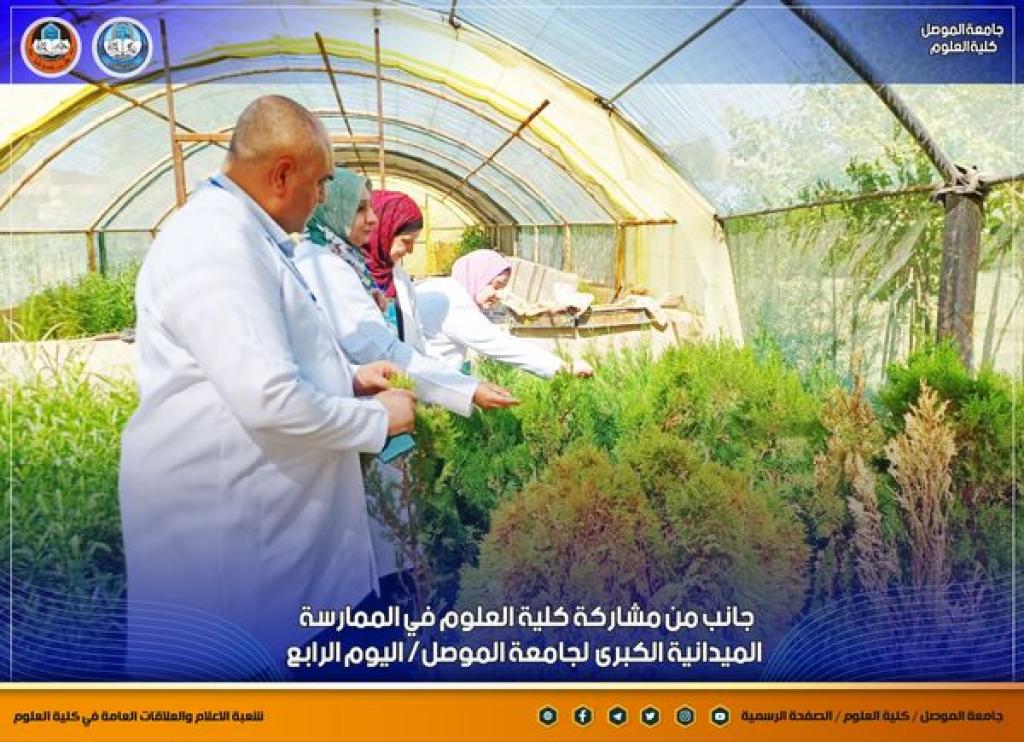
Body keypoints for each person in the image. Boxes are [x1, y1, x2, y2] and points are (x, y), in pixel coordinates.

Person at [118, 95, 416, 679]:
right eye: (321, 182)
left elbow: (255, 361)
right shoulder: (214, 242)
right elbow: (268, 397)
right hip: (239, 556)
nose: (324, 197)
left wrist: (348, 380)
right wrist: (380, 419)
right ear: (282, 174)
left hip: (278, 548)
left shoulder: (249, 237)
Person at [295, 169, 517, 415]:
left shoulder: (347, 261)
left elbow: (406, 340)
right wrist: (467, 389)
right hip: (345, 410)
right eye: (359, 209)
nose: (372, 219)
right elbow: (379, 348)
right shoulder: (324, 267)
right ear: (333, 209)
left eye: (371, 208)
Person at [416, 248, 595, 378]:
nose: (498, 294)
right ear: (477, 277)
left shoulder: (445, 288)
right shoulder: (455, 304)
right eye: (495, 286)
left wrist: (549, 309)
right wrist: (562, 369)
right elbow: (498, 343)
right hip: (423, 384)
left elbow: (520, 311)